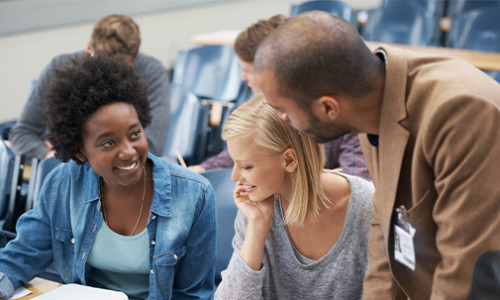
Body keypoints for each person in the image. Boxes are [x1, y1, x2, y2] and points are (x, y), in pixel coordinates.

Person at [254, 11, 500, 300]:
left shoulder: (461, 113)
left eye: (283, 109)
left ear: (328, 108)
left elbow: (471, 270)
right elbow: (386, 223)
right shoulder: (370, 99)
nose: (282, 119)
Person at [0, 54, 216, 300]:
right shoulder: (64, 183)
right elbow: (22, 254)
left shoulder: (194, 195)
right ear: (79, 150)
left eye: (135, 134)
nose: (128, 151)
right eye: (108, 142)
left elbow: (193, 295)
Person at [214, 94, 374, 299]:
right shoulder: (256, 208)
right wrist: (257, 226)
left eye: (246, 166)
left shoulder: (366, 207)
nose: (234, 176)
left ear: (289, 160)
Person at [188, 14, 370, 181]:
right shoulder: (259, 110)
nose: (243, 79)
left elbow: (357, 186)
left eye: (247, 71)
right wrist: (205, 169)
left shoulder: (342, 114)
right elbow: (242, 150)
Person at [9, 14, 170, 159]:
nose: (107, 77)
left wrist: (83, 155)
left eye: (120, 69)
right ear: (88, 48)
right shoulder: (60, 67)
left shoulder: (152, 72)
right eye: (99, 66)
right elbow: (22, 133)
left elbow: (152, 147)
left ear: (135, 57)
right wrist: (49, 156)